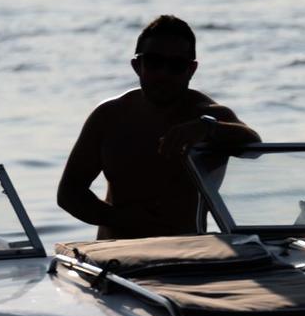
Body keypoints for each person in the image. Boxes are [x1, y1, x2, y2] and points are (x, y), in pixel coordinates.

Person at [57, 15, 260, 239]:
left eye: (176, 65)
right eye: (154, 62)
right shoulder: (108, 116)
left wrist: (207, 129)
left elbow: (254, 145)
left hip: (187, 254)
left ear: (191, 70)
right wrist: (122, 219)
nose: (163, 74)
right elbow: (69, 193)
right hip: (116, 257)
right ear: (137, 65)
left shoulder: (209, 115)